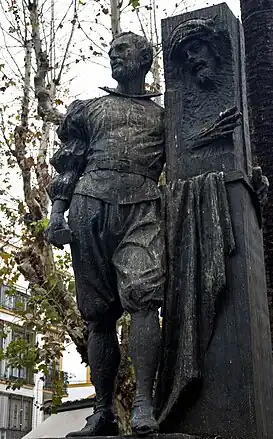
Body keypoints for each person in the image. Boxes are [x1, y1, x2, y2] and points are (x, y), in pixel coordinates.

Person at [45, 32, 165, 436]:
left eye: (124, 50)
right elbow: (70, 163)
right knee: (98, 317)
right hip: (88, 207)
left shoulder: (166, 117)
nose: (114, 56)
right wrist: (57, 212)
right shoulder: (90, 110)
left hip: (142, 208)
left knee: (145, 299)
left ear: (145, 59)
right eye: (111, 51)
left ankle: (146, 403)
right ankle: (103, 412)